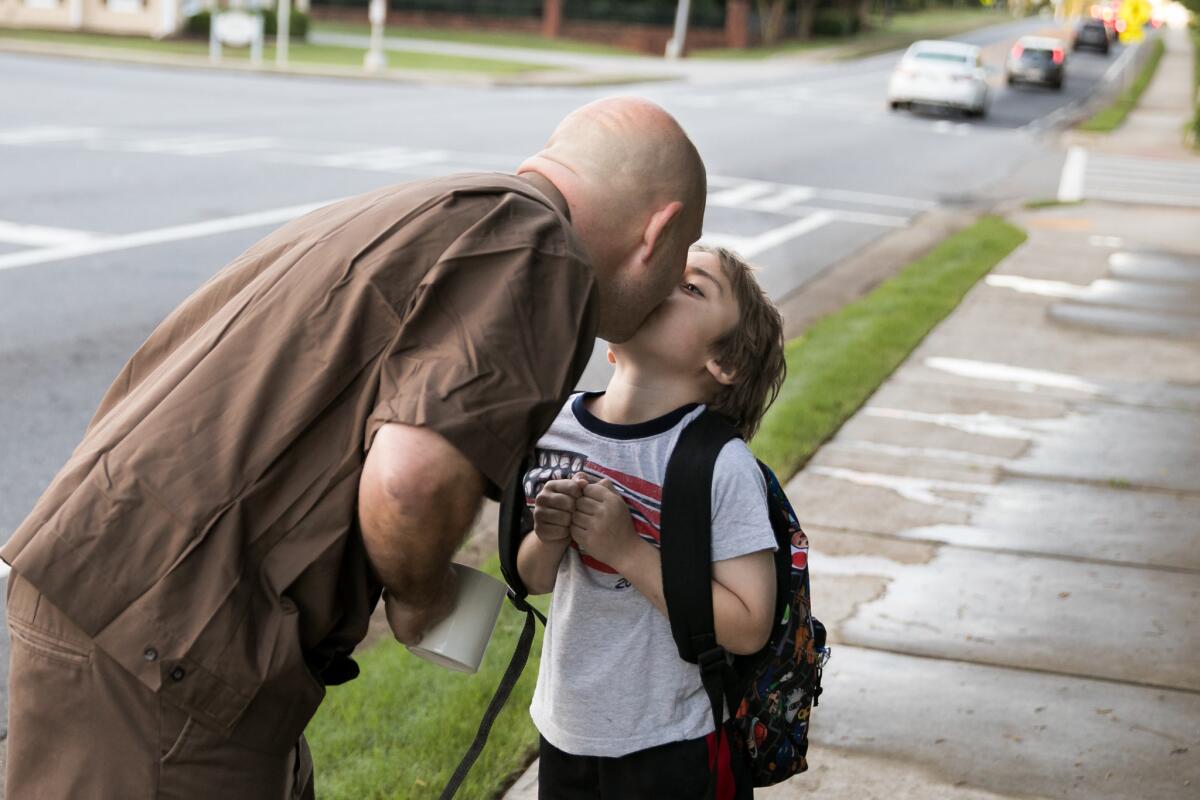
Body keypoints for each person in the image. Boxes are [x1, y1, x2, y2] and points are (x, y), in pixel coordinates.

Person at [0, 97, 706, 799]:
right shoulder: (542, 245)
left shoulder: (427, 207)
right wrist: (422, 599)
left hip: (136, 611)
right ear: (658, 231)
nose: (670, 290)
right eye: (679, 267)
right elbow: (410, 482)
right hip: (166, 650)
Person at [516, 245, 787, 800]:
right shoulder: (556, 428)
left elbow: (749, 622)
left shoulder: (719, 465)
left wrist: (629, 553)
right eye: (661, 272)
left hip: (673, 743)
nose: (662, 283)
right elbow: (533, 579)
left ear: (725, 363)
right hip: (566, 726)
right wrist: (548, 536)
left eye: (692, 287)